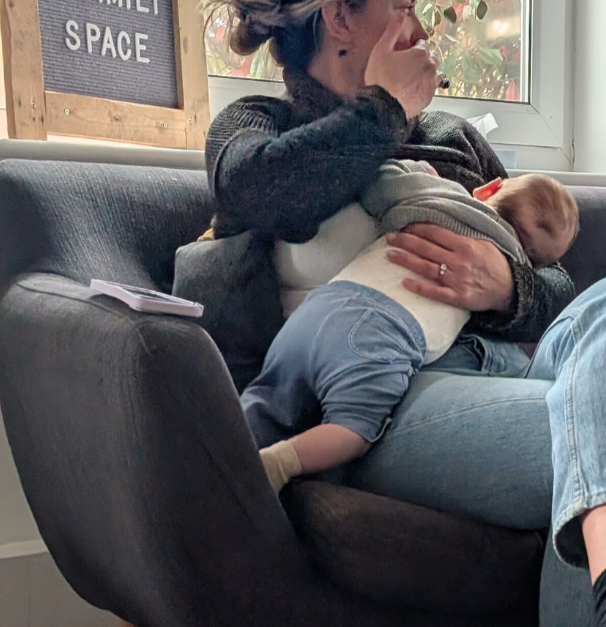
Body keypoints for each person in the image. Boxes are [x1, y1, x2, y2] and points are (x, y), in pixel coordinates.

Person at [203, 0, 606, 627]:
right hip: (381, 404)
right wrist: (383, 111)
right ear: (341, 17)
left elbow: (557, 285)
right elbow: (261, 191)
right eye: (403, 4)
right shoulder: (258, 126)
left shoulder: (454, 140)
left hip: (505, 370)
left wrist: (506, 286)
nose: (422, 28)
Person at [243, 163, 580, 491]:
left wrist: (420, 172)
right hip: (381, 338)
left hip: (322, 307)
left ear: (489, 187)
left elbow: (381, 184)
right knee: (354, 428)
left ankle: (227, 460)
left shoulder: (439, 195)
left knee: (265, 398)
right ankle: (279, 463)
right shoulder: (511, 260)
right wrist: (518, 276)